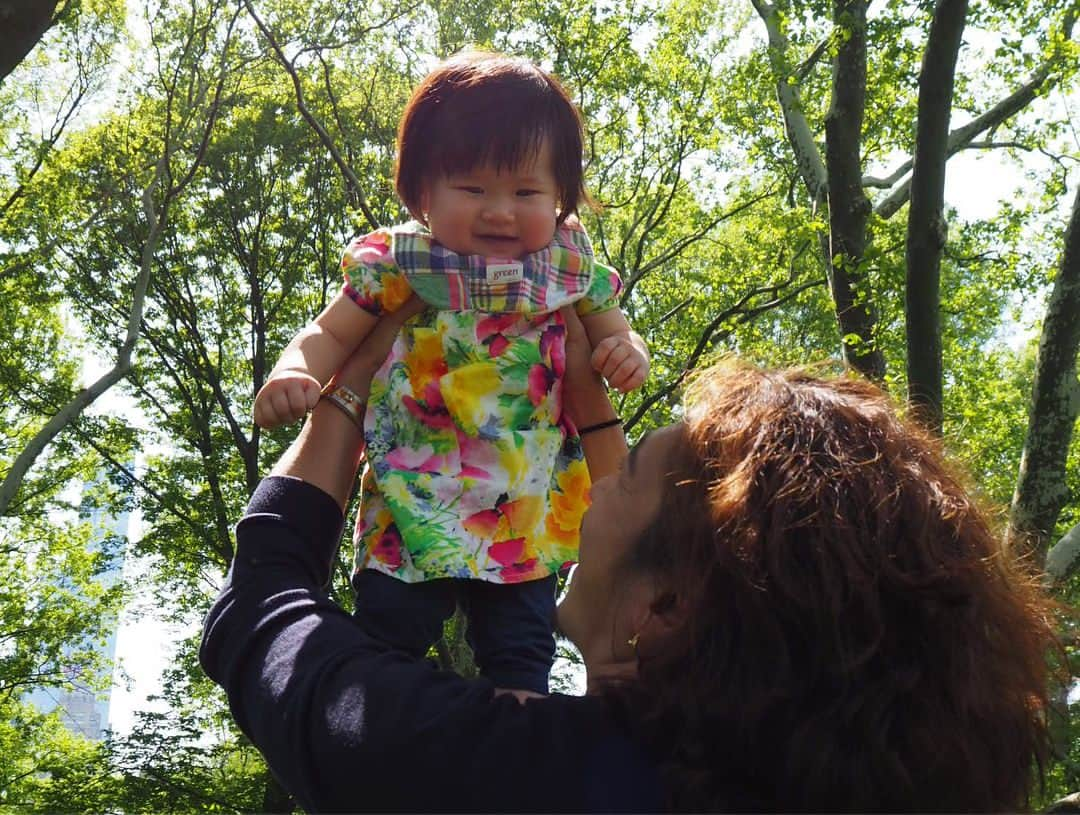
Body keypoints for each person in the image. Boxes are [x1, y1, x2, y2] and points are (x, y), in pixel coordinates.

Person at [202, 297, 1058, 812]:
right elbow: (673, 531)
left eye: (626, 470)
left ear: (668, 607)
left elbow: (261, 615)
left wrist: (349, 391)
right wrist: (592, 406)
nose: (590, 483)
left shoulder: (533, 780)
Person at [251, 51, 649, 697]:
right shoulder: (400, 266)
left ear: (561, 200)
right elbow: (329, 332)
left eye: (526, 192)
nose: (499, 211)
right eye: (472, 188)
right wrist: (294, 371)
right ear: (421, 194)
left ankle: (515, 759)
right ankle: (378, 744)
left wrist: (626, 354)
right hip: (414, 491)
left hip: (522, 505)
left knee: (522, 653)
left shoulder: (565, 274)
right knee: (385, 636)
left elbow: (614, 330)